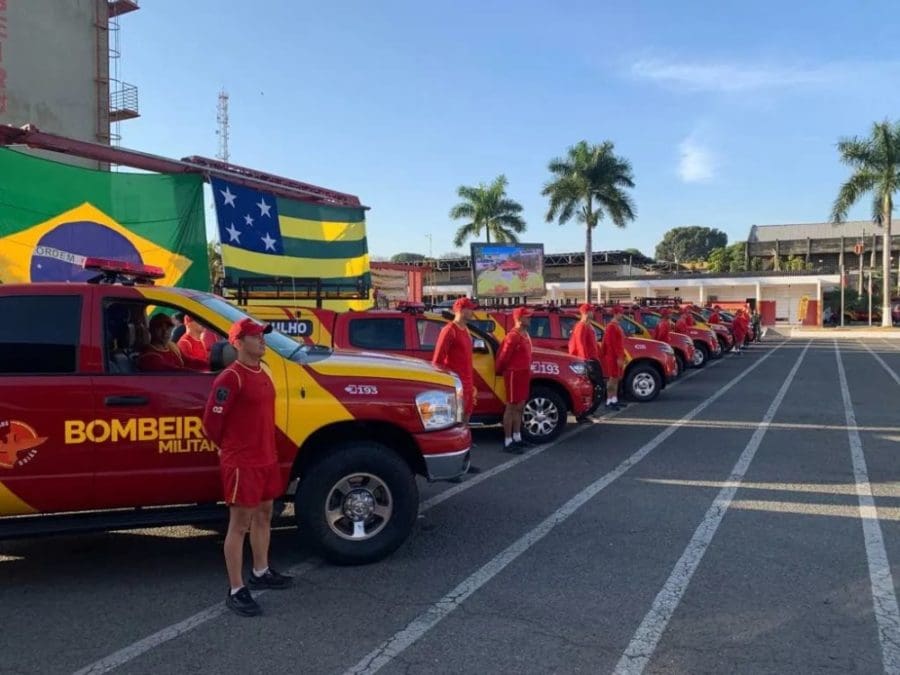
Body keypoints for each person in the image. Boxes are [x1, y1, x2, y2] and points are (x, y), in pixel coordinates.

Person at [202, 318, 292, 617]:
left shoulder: (262, 370)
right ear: (238, 343)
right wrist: (231, 450)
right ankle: (236, 589)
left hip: (266, 458)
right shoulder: (230, 378)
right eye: (255, 337)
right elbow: (211, 424)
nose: (262, 340)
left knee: (265, 515)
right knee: (239, 524)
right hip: (243, 463)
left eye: (262, 335)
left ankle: (261, 570)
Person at [432, 297, 480, 475]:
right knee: (455, 427)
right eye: (470, 309)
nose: (472, 312)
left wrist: (472, 385)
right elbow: (437, 360)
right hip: (455, 386)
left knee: (465, 425)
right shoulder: (449, 330)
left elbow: (467, 360)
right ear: (460, 310)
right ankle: (453, 466)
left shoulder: (466, 330)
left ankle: (465, 463)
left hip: (467, 384)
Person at [495, 307, 533, 453]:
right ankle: (508, 440)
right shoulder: (513, 336)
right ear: (519, 319)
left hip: (524, 373)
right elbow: (503, 357)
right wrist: (500, 370)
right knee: (511, 407)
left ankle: (517, 437)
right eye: (527, 317)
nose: (530, 319)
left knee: (520, 406)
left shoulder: (524, 335)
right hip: (513, 374)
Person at [137, 313, 208, 372]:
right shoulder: (149, 356)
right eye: (159, 328)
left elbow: (188, 361)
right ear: (151, 330)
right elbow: (175, 371)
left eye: (168, 328)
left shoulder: (171, 346)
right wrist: (201, 374)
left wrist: (209, 365)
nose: (165, 332)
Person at [599, 305, 627, 410]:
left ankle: (614, 399)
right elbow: (612, 344)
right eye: (621, 313)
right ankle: (609, 400)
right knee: (612, 378)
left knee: (616, 378)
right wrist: (618, 357)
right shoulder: (611, 327)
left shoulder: (615, 326)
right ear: (616, 314)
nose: (622, 315)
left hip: (616, 356)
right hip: (613, 357)